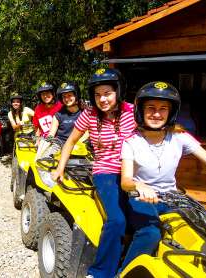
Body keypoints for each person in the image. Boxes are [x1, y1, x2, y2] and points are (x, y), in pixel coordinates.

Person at [120, 81, 206, 270]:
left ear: (171, 112)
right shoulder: (131, 142)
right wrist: (139, 186)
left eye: (163, 108)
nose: (157, 113)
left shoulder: (180, 137)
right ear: (140, 110)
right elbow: (125, 181)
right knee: (150, 233)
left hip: (172, 197)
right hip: (141, 198)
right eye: (150, 107)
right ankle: (124, 272)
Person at [51, 68, 136, 278]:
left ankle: (129, 267)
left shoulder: (133, 111)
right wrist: (60, 168)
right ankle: (99, 273)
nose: (102, 99)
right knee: (117, 220)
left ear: (118, 91)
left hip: (134, 172)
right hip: (105, 172)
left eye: (107, 93)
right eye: (98, 95)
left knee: (148, 224)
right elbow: (70, 141)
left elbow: (156, 125)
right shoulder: (89, 115)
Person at [39, 82, 83, 158]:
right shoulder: (58, 115)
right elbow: (51, 133)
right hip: (59, 145)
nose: (66, 99)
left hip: (79, 145)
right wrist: (45, 141)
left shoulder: (84, 113)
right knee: (43, 162)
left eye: (69, 95)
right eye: (64, 96)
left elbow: (88, 133)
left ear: (76, 95)